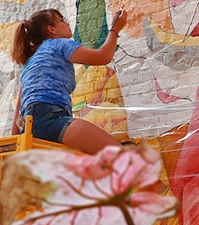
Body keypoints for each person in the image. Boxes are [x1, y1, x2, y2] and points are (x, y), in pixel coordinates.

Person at [12, 9, 129, 153]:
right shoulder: (58, 44)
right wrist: (115, 29)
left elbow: (20, 105)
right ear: (51, 29)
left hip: (29, 129)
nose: (67, 23)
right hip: (51, 119)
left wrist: (13, 145)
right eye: (61, 20)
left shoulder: (29, 63)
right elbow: (103, 56)